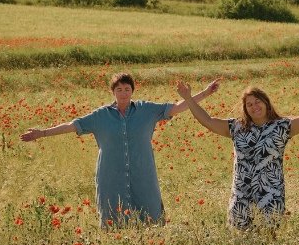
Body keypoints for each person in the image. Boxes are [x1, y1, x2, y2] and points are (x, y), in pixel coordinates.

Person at [20, 72, 220, 228]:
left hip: (143, 173)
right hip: (111, 175)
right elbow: (73, 125)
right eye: (119, 89)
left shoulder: (146, 109)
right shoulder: (100, 116)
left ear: (132, 91)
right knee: (112, 218)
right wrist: (42, 133)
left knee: (150, 214)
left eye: (127, 89)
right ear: (113, 92)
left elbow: (177, 107)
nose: (123, 93)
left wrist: (205, 92)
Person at [175, 72, 299, 229]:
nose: (254, 107)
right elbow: (208, 121)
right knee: (241, 243)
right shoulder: (237, 127)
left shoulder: (281, 127)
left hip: (270, 195)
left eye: (257, 102)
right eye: (249, 104)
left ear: (266, 103)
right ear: (245, 109)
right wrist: (188, 99)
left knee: (269, 241)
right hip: (241, 196)